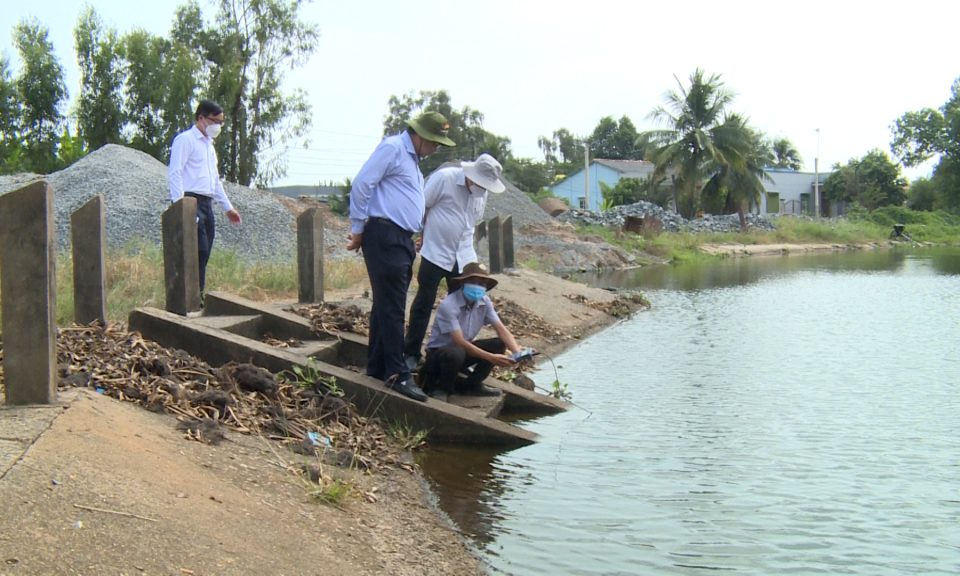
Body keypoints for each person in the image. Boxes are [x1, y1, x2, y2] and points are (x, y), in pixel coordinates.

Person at [346, 111, 455, 402]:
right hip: (384, 234)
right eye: (434, 142)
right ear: (420, 136)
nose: (436, 149)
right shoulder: (393, 148)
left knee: (386, 303)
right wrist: (358, 229)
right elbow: (362, 185)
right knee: (393, 306)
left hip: (400, 239)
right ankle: (397, 373)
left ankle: (378, 365)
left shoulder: (412, 161)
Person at [403, 153, 506, 370]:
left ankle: (456, 356)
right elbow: (423, 208)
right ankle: (411, 353)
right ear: (471, 175)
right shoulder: (444, 179)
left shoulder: (481, 194)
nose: (482, 188)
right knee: (424, 303)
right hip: (435, 252)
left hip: (464, 256)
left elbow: (471, 223)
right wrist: (419, 235)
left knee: (463, 306)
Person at [418, 262, 531, 402]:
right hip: (439, 355)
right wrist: (491, 358)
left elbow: (501, 328)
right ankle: (440, 388)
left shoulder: (485, 302)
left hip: (463, 352)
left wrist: (517, 353)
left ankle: (472, 385)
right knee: (456, 352)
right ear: (462, 284)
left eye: (482, 283)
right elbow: (459, 342)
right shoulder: (449, 305)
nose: (478, 286)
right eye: (473, 281)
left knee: (498, 344)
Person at [168, 100, 242, 301]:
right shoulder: (185, 140)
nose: (218, 126)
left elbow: (214, 181)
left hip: (207, 203)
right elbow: (175, 174)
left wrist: (228, 208)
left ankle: (197, 295)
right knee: (196, 249)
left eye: (221, 122)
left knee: (205, 250)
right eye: (214, 120)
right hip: (191, 201)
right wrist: (180, 207)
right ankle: (190, 298)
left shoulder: (209, 146)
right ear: (201, 118)